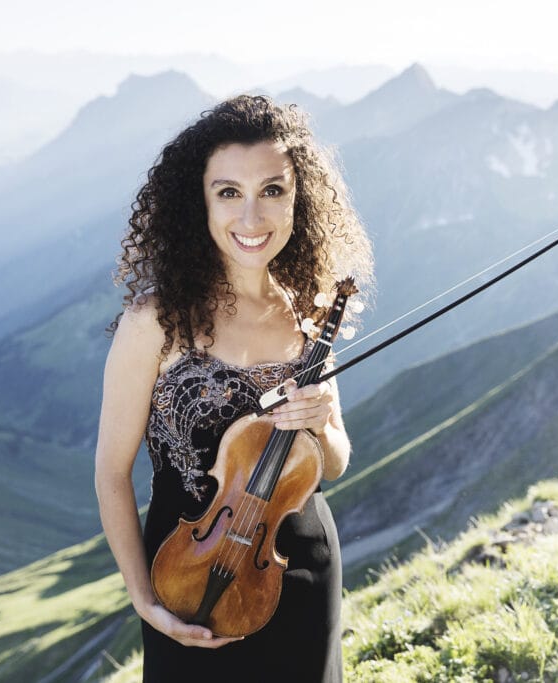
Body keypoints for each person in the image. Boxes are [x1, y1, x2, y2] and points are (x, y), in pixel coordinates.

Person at [94, 94, 374, 683]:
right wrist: (144, 600)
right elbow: (111, 473)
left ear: (299, 198)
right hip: (188, 577)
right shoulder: (155, 321)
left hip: (298, 568)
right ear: (199, 201)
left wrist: (321, 420)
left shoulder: (308, 313)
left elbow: (336, 462)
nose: (252, 218)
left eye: (272, 190)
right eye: (229, 193)